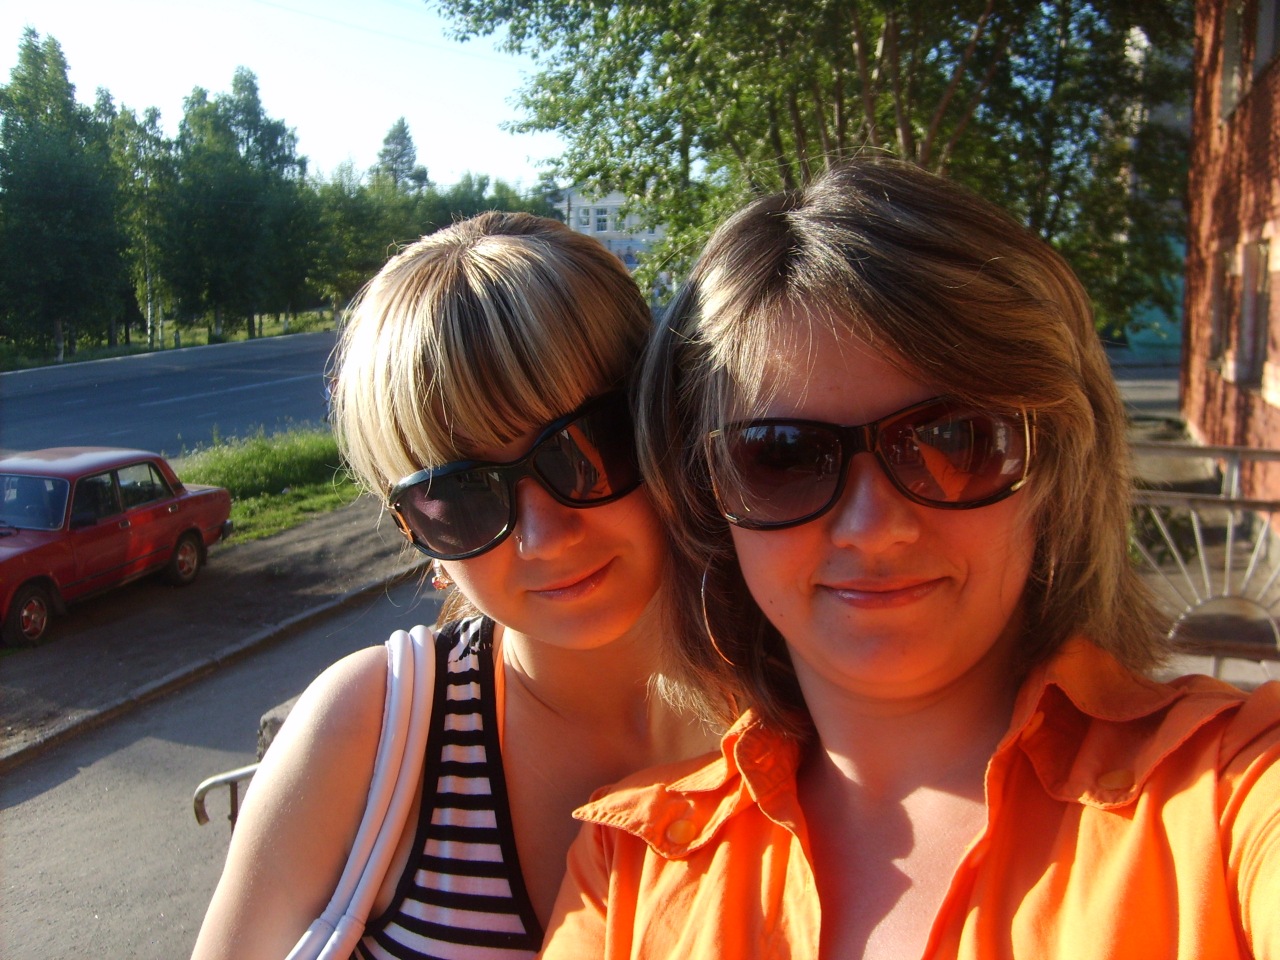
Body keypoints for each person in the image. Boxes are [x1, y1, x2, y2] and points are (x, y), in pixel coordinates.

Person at [539, 158, 1280, 958]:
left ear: (1053, 470)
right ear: (706, 501)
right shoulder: (630, 871)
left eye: (955, 440)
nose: (875, 528)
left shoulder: (1229, 793)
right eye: (781, 458)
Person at [190, 212, 717, 960]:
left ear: (663, 420)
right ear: (417, 536)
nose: (545, 537)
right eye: (460, 498)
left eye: (586, 447)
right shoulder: (368, 732)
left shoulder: (804, 701)